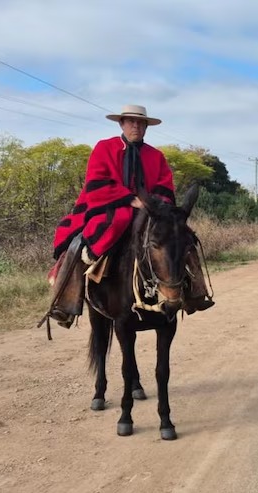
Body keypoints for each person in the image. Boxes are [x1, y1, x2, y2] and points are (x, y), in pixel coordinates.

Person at [45, 104, 213, 328]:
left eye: (140, 122)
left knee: (183, 237)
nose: (136, 125)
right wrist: (129, 199)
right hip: (107, 206)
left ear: (145, 126)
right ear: (121, 124)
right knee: (92, 234)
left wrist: (154, 205)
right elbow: (96, 183)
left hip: (151, 210)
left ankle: (195, 293)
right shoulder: (104, 148)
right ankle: (65, 301)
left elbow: (165, 188)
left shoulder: (156, 156)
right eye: (131, 121)